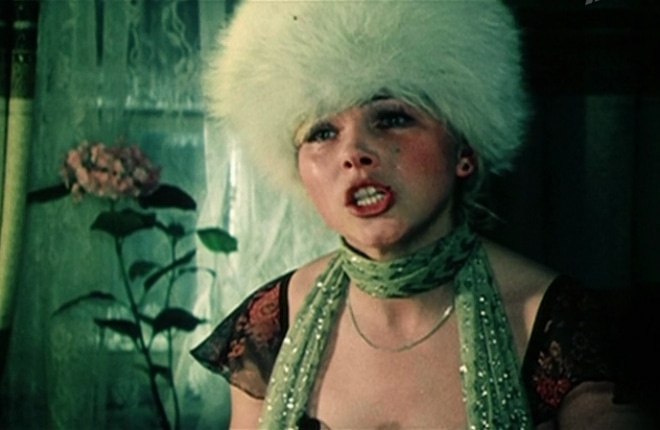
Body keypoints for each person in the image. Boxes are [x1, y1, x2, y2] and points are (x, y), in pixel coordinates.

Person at [191, 0, 649, 428]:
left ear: (464, 150)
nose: (353, 153)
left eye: (392, 118)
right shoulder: (270, 324)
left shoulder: (556, 325)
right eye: (322, 132)